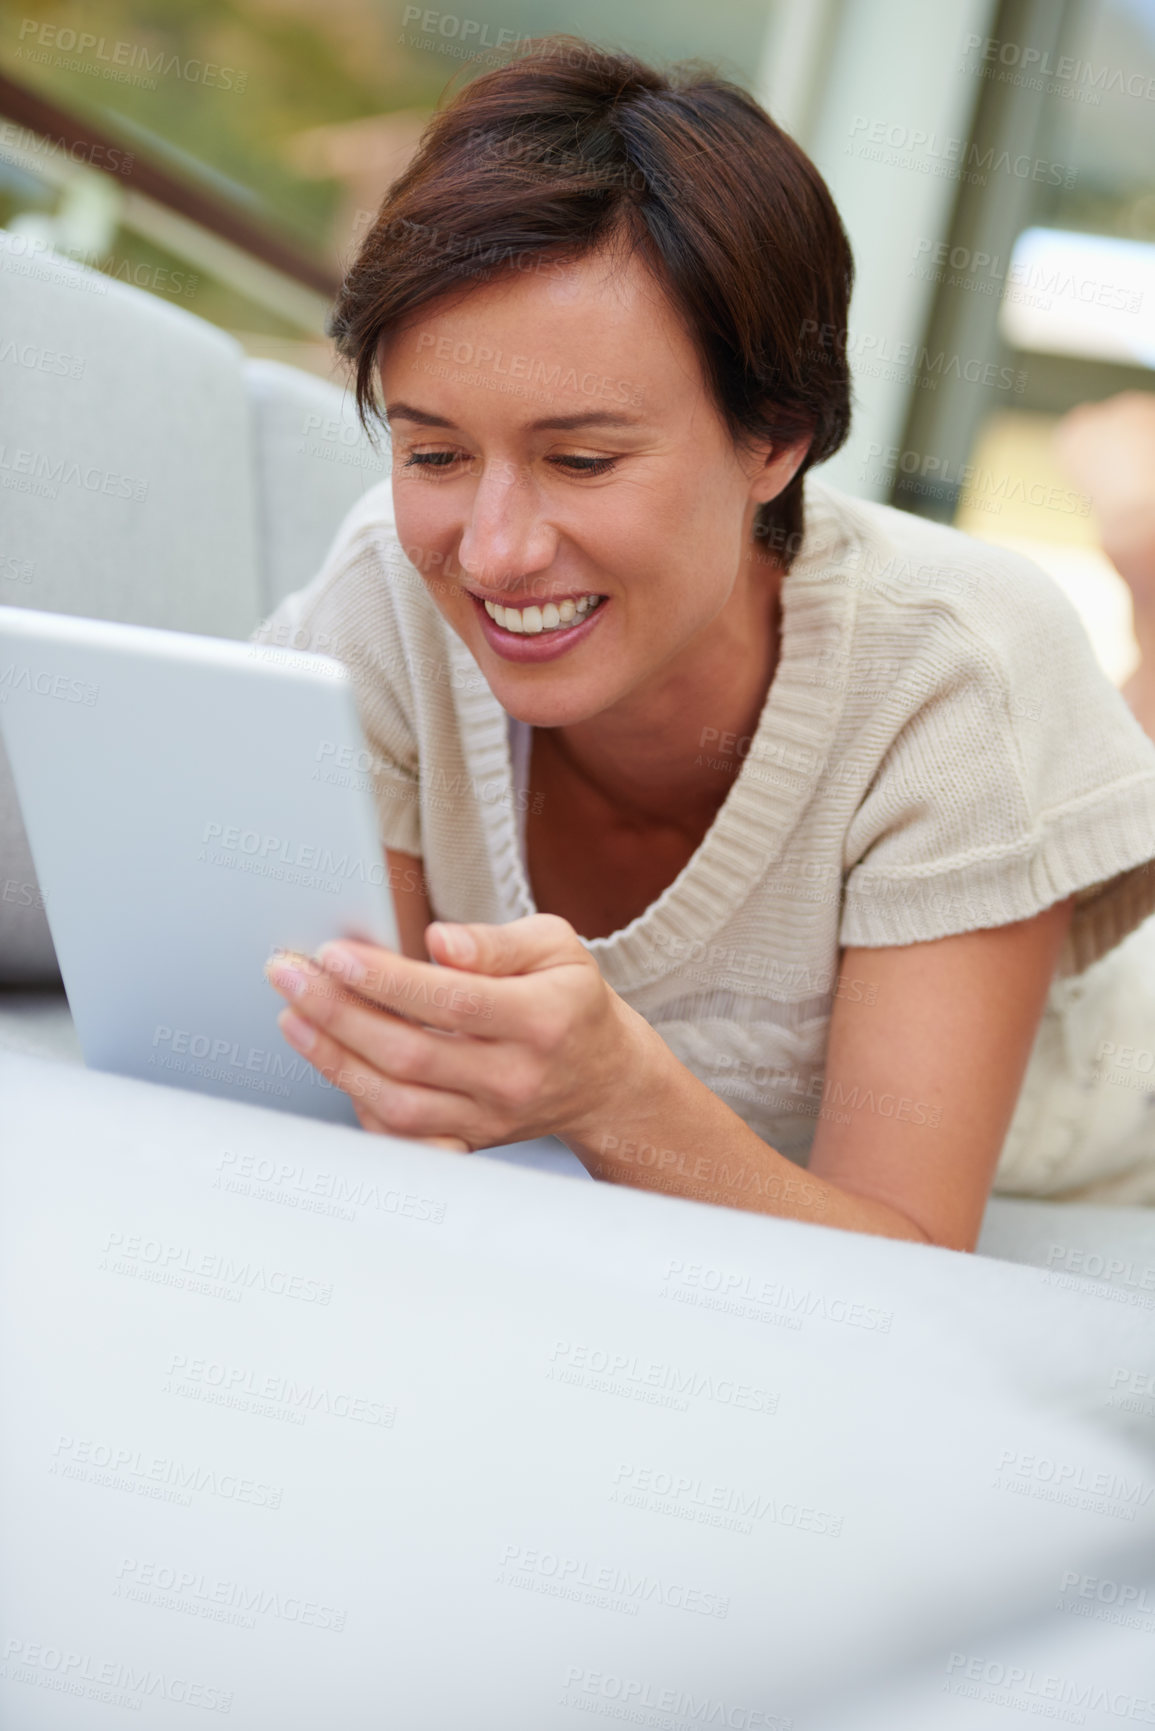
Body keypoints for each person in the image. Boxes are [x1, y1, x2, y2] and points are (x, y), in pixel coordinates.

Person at [253, 37, 1155, 1249]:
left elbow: (909, 1255)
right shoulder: (384, 595)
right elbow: (376, 1099)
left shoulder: (954, 671)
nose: (495, 551)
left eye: (581, 459)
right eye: (434, 454)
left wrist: (617, 1096)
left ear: (774, 439)